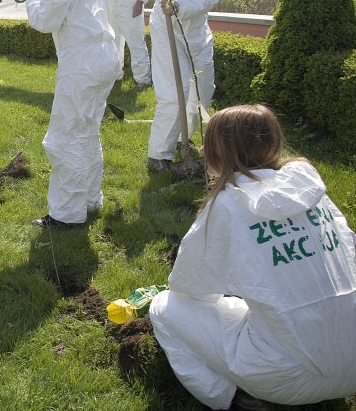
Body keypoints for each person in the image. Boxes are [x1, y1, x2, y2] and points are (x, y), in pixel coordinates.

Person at [149, 104, 356, 409]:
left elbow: (188, 288)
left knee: (165, 307)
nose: (203, 148)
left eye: (211, 141)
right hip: (352, 366)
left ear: (226, 151)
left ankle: (231, 398)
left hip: (286, 379)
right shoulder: (312, 192)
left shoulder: (228, 204)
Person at [16, 0, 119, 228]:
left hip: (83, 64)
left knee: (63, 139)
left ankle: (66, 215)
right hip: (102, 57)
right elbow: (73, 2)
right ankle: (90, 199)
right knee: (86, 133)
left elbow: (46, 20)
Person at [124, 0, 235, 173]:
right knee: (174, 92)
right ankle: (158, 156)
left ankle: (183, 141)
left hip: (197, 28)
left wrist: (182, 5)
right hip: (166, 27)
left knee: (203, 90)